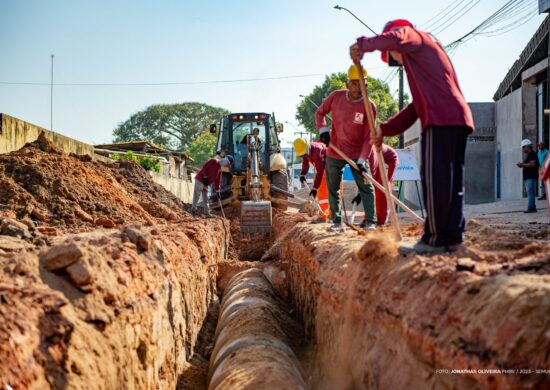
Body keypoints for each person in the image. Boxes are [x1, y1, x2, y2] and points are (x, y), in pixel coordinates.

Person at [351, 19, 474, 253]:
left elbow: (397, 36)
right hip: (457, 118)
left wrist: (363, 45)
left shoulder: (415, 37)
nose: (396, 61)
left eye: (392, 56)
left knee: (435, 181)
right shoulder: (425, 64)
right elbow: (415, 109)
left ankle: (436, 240)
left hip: (440, 120)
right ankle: (452, 237)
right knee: (450, 183)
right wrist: (384, 129)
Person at [315, 64, 377, 232]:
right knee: (333, 188)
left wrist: (363, 160)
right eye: (355, 83)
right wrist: (323, 131)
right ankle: (336, 221)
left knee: (366, 187)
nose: (359, 86)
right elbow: (319, 113)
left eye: (363, 82)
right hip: (334, 151)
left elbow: (369, 136)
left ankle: (371, 221)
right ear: (347, 84)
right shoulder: (336, 97)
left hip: (358, 154)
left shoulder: (369, 106)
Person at [353, 144, 399, 226]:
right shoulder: (357, 150)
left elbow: (371, 175)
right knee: (370, 192)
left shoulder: (370, 150)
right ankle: (369, 218)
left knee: (381, 190)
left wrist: (361, 193)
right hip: (378, 162)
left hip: (389, 161)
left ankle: (380, 221)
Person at [294, 138, 330, 220]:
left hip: (331, 169)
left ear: (308, 147)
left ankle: (331, 215)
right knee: (321, 194)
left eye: (304, 154)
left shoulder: (317, 151)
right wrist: (302, 174)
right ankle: (323, 214)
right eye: (302, 155)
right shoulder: (305, 152)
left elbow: (320, 171)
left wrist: (314, 188)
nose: (304, 156)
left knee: (330, 193)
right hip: (323, 170)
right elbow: (305, 163)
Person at [517, 139, 539, 213]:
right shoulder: (529, 155)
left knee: (530, 193)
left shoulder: (532, 154)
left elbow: (532, 164)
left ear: (527, 147)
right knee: (530, 193)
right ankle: (532, 206)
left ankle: (531, 208)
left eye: (523, 147)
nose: (522, 149)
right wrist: (523, 164)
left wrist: (522, 164)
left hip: (531, 177)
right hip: (528, 177)